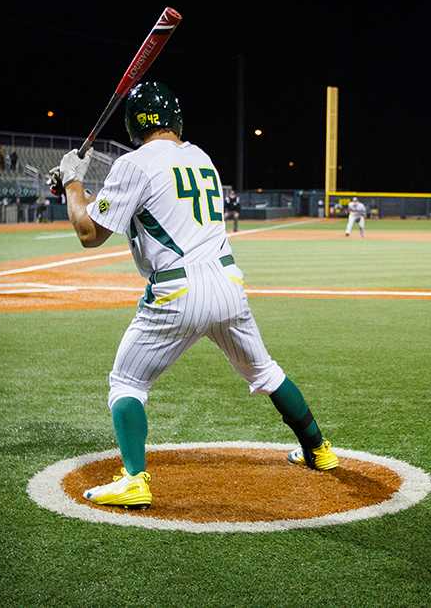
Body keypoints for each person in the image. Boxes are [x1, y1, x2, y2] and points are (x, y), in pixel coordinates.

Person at [51, 80, 338, 509]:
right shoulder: (201, 157)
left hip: (176, 291)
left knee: (127, 382)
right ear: (174, 119)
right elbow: (115, 209)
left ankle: (133, 478)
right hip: (227, 283)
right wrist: (76, 189)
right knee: (265, 372)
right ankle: (319, 450)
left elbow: (89, 232)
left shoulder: (134, 163)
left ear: (134, 123)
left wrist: (73, 182)